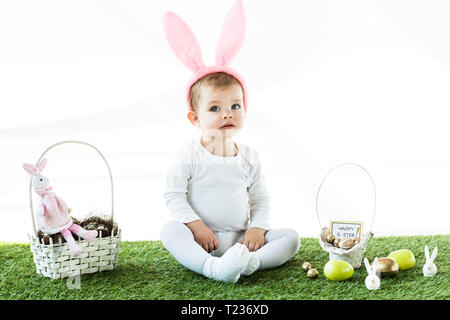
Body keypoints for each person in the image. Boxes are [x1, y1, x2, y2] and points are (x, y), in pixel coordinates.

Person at [160, 0, 300, 283]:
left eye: (235, 106)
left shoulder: (248, 155)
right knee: (169, 231)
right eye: (214, 108)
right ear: (194, 119)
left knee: (291, 238)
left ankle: (250, 263)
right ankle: (212, 268)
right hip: (201, 240)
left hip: (240, 240)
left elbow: (260, 198)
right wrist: (197, 227)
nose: (227, 114)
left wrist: (257, 229)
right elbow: (173, 195)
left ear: (245, 111)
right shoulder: (189, 152)